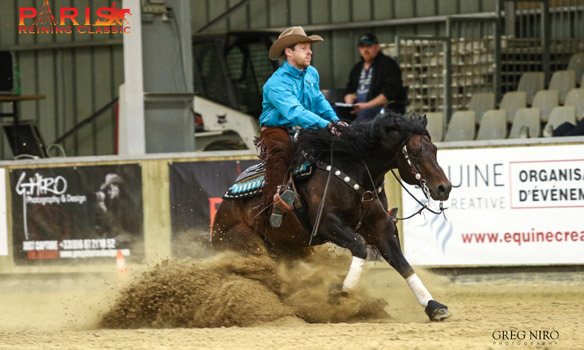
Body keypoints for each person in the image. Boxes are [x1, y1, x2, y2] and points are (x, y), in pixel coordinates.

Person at [260, 26, 346, 228]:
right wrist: (326, 124)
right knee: (281, 154)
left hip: (307, 126)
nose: (310, 52)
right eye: (303, 47)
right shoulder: (275, 83)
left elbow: (319, 101)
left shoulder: (311, 73)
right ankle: (275, 203)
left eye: (309, 47)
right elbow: (294, 112)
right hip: (277, 130)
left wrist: (335, 122)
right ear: (289, 52)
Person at [340, 32, 406, 122]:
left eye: (369, 46)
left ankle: (360, 136)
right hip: (356, 106)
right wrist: (348, 98)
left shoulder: (388, 65)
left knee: (364, 114)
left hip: (380, 108)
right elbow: (349, 88)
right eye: (362, 47)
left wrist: (365, 106)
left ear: (377, 47)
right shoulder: (357, 67)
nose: (365, 50)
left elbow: (389, 94)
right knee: (335, 111)